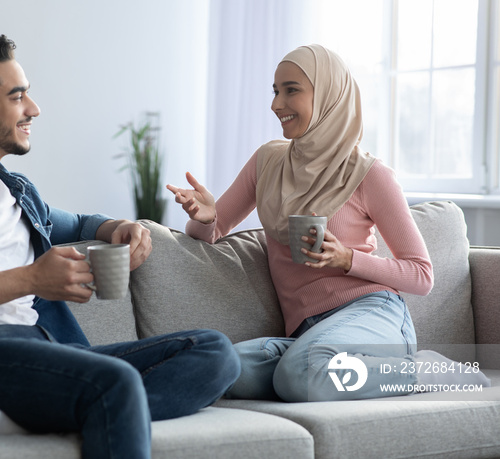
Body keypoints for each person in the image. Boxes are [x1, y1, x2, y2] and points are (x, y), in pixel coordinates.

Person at [0, 32, 240, 459]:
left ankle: (36, 420)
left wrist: (118, 228)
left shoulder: (17, 190)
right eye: (18, 96)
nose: (34, 109)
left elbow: (77, 222)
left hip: (45, 351)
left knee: (215, 353)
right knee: (114, 383)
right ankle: (91, 406)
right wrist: (32, 278)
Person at [167, 44, 490, 402]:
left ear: (327, 95)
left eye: (291, 90)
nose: (276, 104)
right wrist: (206, 217)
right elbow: (208, 235)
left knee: (301, 376)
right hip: (308, 333)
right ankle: (308, 365)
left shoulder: (369, 174)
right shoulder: (267, 162)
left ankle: (424, 369)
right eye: (275, 91)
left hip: (373, 314)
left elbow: (421, 275)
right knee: (223, 369)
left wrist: (348, 260)